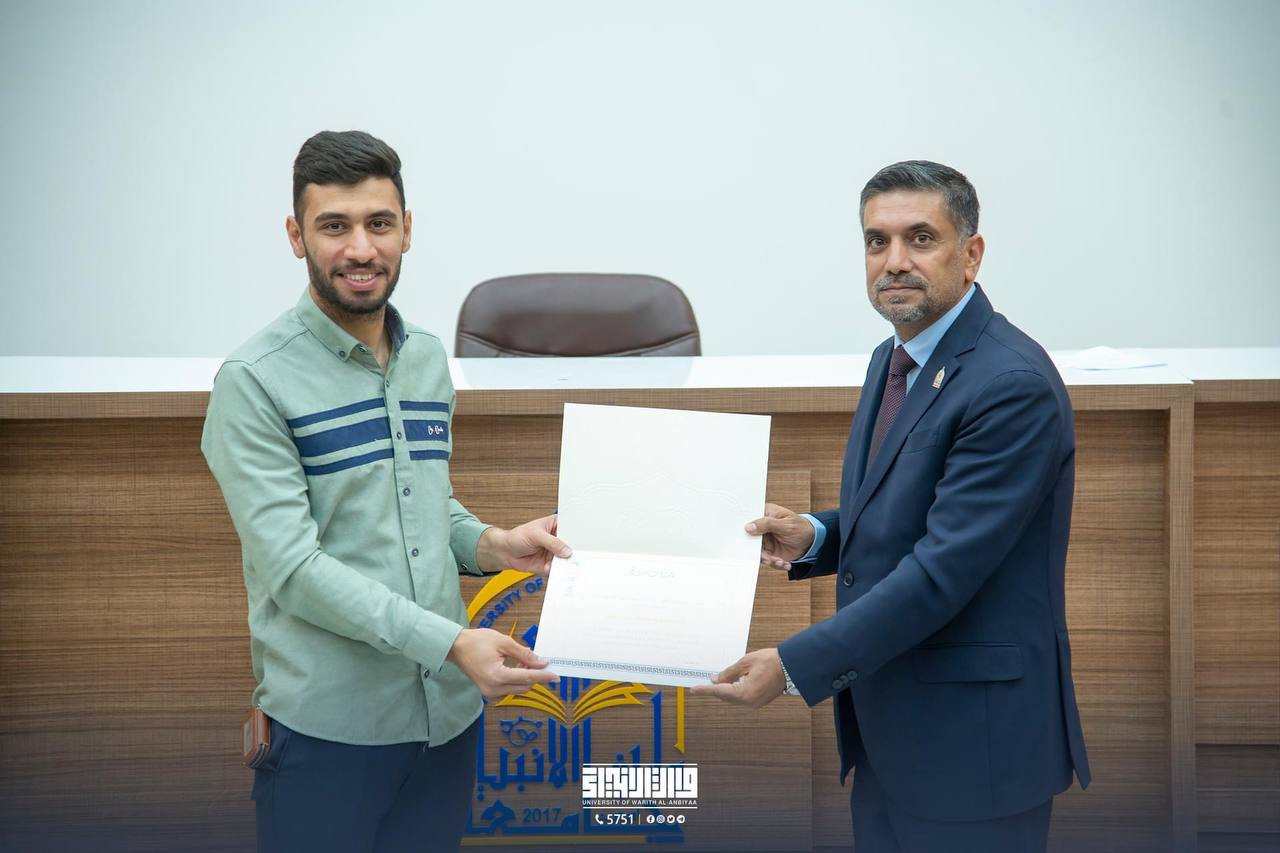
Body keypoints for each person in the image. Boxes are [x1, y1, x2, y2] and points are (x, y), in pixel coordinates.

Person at [694, 161, 1090, 852]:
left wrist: (792, 666)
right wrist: (817, 534)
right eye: (877, 241)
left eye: (920, 238)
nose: (894, 261)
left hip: (974, 749)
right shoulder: (895, 356)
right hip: (893, 731)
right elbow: (911, 513)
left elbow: (942, 571)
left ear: (972, 254)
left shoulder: (1010, 383)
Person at [201, 130, 571, 853]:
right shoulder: (253, 382)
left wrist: (495, 544)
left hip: (446, 721)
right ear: (296, 236)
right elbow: (293, 570)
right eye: (334, 226)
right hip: (329, 735)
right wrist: (450, 642)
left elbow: (421, 507)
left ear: (407, 229)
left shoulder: (426, 357)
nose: (361, 249)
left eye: (379, 223)